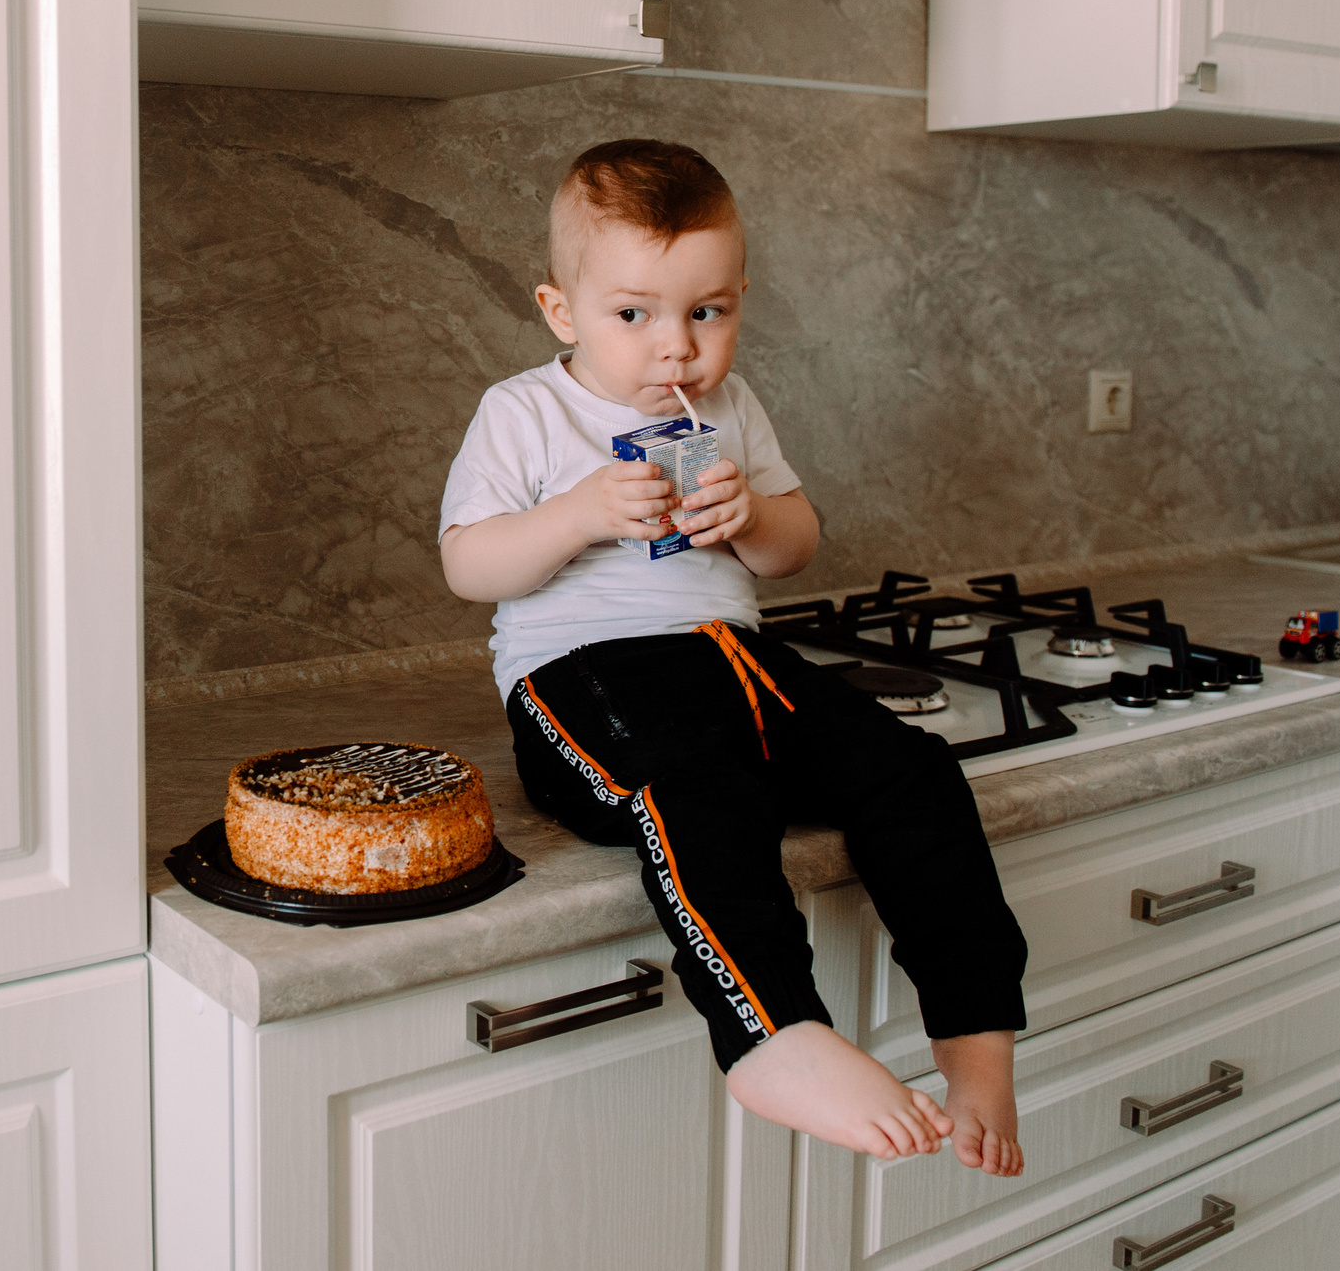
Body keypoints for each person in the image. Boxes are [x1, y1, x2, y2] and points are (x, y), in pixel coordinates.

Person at [437, 139, 1029, 1174]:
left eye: (706, 311)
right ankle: (769, 1036)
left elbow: (796, 542)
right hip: (584, 678)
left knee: (914, 772)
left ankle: (975, 1043)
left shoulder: (727, 407)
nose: (675, 348)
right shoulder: (523, 411)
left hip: (736, 661)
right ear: (560, 308)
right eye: (634, 314)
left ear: (738, 300)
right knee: (700, 790)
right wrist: (577, 513)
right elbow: (468, 563)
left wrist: (750, 514)